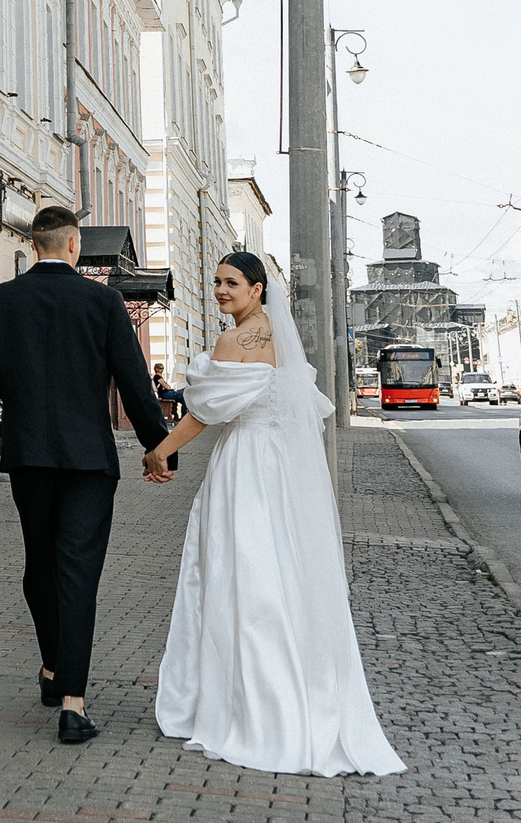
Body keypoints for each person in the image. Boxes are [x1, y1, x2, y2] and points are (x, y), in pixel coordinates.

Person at [143, 251, 403, 777]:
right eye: (215, 281)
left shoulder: (234, 341)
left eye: (231, 283)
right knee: (281, 575)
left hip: (244, 466)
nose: (220, 290)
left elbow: (203, 413)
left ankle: (249, 707)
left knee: (240, 578)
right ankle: (299, 698)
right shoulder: (281, 339)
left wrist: (159, 451)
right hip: (279, 468)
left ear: (258, 289)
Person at [0, 204, 171, 746]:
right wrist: (160, 447)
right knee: (77, 570)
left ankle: (54, 670)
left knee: (40, 563)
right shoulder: (104, 301)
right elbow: (133, 380)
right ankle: (73, 705)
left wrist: (30, 398)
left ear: (35, 244)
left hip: (29, 453)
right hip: (88, 459)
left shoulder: (3, 299)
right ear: (75, 245)